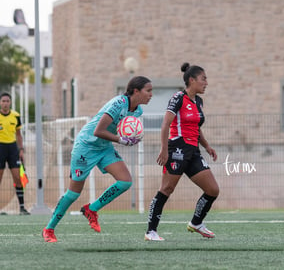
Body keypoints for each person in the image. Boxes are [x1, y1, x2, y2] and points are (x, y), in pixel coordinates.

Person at [42, 76, 153, 242]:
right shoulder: (118, 104)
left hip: (104, 147)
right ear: (136, 91)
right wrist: (121, 140)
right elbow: (98, 131)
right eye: (148, 90)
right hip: (86, 146)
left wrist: (132, 138)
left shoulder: (138, 111)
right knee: (73, 194)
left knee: (125, 181)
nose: (151, 94)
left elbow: (125, 130)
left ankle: (91, 209)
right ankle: (49, 229)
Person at [145, 62, 219, 241]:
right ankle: (151, 232)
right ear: (192, 80)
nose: (206, 83)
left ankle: (196, 223)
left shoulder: (199, 101)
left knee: (212, 190)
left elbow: (195, 127)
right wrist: (164, 150)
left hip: (193, 151)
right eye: (204, 79)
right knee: (166, 189)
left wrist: (207, 146)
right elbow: (165, 125)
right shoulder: (178, 97)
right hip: (176, 148)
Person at [0, 92, 30, 215]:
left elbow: (18, 134)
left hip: (12, 148)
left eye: (7, 101)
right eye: (3, 101)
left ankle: (22, 207)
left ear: (10, 102)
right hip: (0, 147)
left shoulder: (16, 116)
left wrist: (21, 149)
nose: (5, 103)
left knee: (18, 177)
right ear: (0, 103)